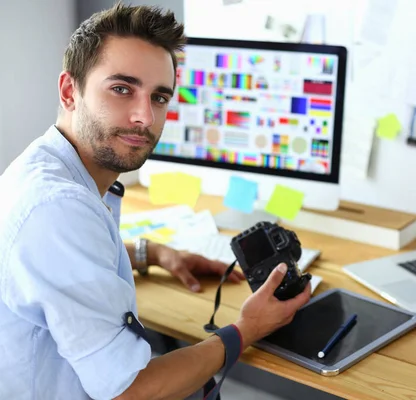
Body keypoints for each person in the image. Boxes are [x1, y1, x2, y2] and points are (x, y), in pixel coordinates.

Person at [0, 3, 311, 399]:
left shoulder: (43, 169)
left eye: (160, 97)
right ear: (68, 91)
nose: (145, 117)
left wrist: (151, 254)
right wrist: (245, 329)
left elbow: (56, 264)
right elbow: (130, 392)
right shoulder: (57, 208)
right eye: (122, 89)